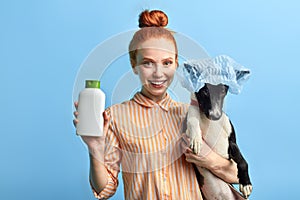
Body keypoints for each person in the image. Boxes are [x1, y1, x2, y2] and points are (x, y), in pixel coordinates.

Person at [73, 9, 239, 200]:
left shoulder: (192, 115)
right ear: (133, 64)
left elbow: (236, 176)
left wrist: (208, 158)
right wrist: (95, 148)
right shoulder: (114, 117)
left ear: (176, 64)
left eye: (167, 63)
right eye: (148, 63)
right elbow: (105, 190)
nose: (158, 73)